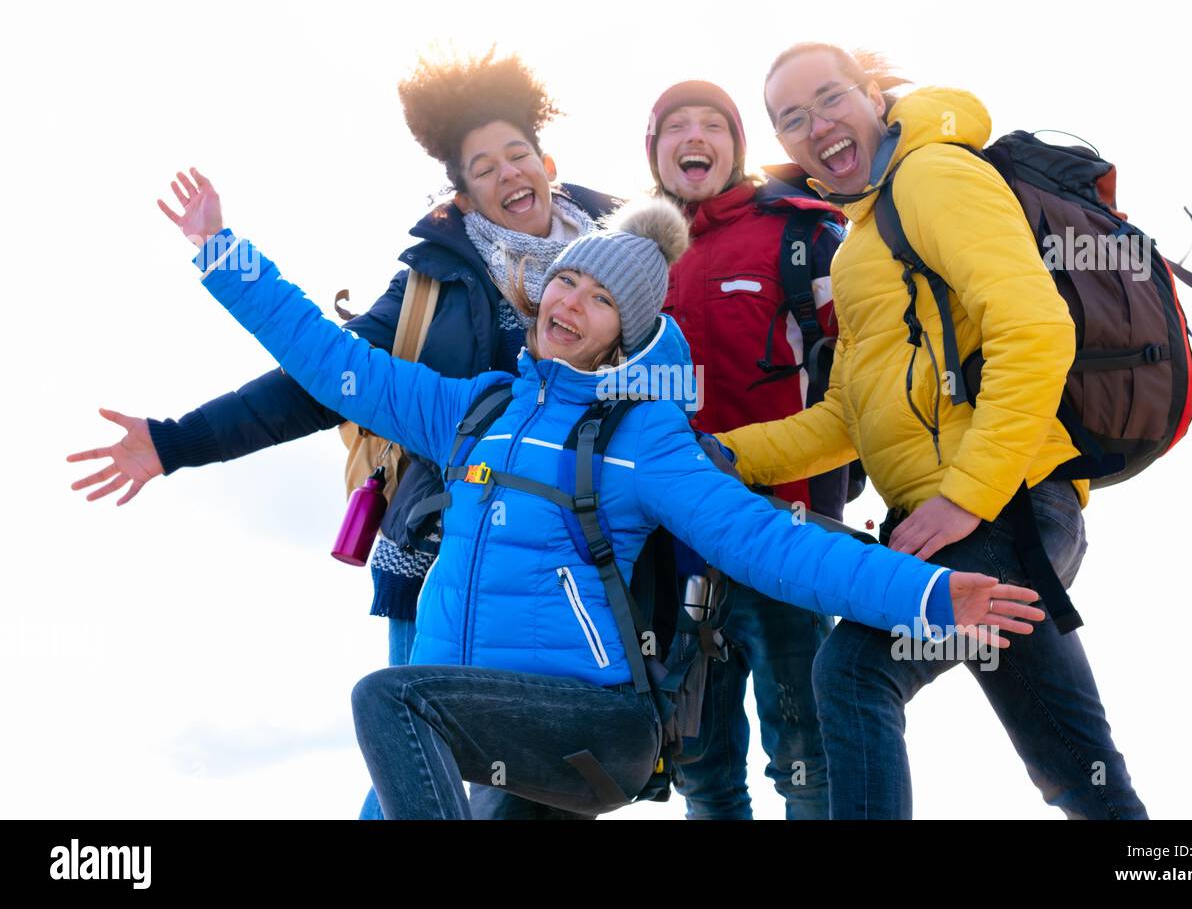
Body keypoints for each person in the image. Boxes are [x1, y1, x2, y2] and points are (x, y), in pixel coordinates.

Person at [155, 165, 1044, 819]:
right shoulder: (476, 411)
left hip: (590, 726)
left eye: (598, 300)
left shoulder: (639, 441)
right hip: (485, 730)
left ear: (629, 334)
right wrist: (224, 255)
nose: (569, 304)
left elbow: (772, 546)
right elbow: (335, 364)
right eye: (565, 282)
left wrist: (929, 594)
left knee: (389, 696)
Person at [65, 50, 616, 819]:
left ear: (547, 161)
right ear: (460, 197)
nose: (507, 174)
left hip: (579, 565)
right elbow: (323, 375)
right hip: (438, 555)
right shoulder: (430, 285)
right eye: (482, 167)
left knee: (536, 790)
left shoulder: (628, 258)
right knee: (415, 770)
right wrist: (177, 440)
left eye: (517, 154)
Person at [714, 42, 1148, 818]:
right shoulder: (862, 245)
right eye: (791, 118)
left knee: (852, 674)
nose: (817, 125)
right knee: (1081, 773)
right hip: (972, 521)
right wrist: (720, 455)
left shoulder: (932, 174)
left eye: (830, 98)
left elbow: (1034, 328)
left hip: (1005, 510)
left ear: (873, 98)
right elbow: (847, 417)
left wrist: (966, 498)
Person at [645, 81, 847, 819]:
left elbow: (867, 370)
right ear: (652, 150)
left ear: (736, 148)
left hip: (779, 537)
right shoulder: (629, 260)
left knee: (808, 762)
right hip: (666, 553)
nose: (694, 136)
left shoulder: (799, 234)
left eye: (712, 125)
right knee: (702, 772)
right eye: (675, 126)